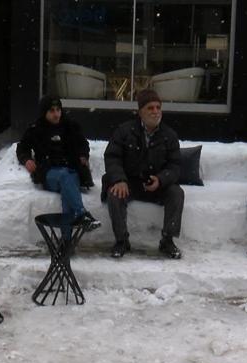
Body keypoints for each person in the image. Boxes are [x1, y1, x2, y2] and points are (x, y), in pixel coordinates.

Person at [102, 89, 184, 259]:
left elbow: (175, 166)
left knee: (177, 193)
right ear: (140, 112)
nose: (155, 112)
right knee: (114, 194)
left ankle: (167, 241)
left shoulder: (170, 135)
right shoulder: (124, 131)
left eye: (158, 107)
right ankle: (122, 240)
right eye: (150, 108)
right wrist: (119, 180)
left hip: (156, 185)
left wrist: (161, 179)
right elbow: (112, 157)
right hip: (130, 182)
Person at [16, 96, 101, 233]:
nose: (56, 114)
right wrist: (26, 160)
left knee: (68, 188)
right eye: (52, 111)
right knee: (65, 176)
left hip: (71, 171)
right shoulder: (36, 129)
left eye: (58, 110)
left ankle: (66, 244)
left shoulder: (71, 126)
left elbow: (83, 144)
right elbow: (22, 147)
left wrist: (83, 155)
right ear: (44, 113)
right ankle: (81, 214)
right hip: (49, 173)